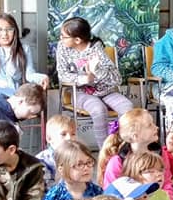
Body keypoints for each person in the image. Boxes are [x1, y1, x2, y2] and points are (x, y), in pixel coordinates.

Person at [56, 16, 133, 147]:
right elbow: (62, 74)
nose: (60, 38)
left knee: (127, 108)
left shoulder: (96, 49)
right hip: (81, 92)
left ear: (77, 40)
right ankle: (105, 151)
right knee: (98, 109)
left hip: (106, 91)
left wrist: (97, 70)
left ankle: (121, 147)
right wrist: (84, 79)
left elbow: (117, 78)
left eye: (63, 36)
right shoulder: (63, 48)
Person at [0, 12, 48, 107]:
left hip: (14, 92)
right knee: (10, 103)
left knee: (25, 100)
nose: (4, 34)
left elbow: (29, 74)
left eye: (9, 29)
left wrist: (41, 78)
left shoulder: (24, 49)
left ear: (15, 31)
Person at [99, 108, 161, 189]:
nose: (156, 127)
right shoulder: (118, 162)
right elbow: (110, 193)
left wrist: (167, 199)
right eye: (149, 125)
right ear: (135, 136)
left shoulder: (159, 152)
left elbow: (167, 181)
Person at [35, 114, 77, 189]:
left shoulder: (78, 155)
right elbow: (47, 189)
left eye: (73, 134)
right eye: (63, 134)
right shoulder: (42, 160)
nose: (69, 138)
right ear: (49, 139)